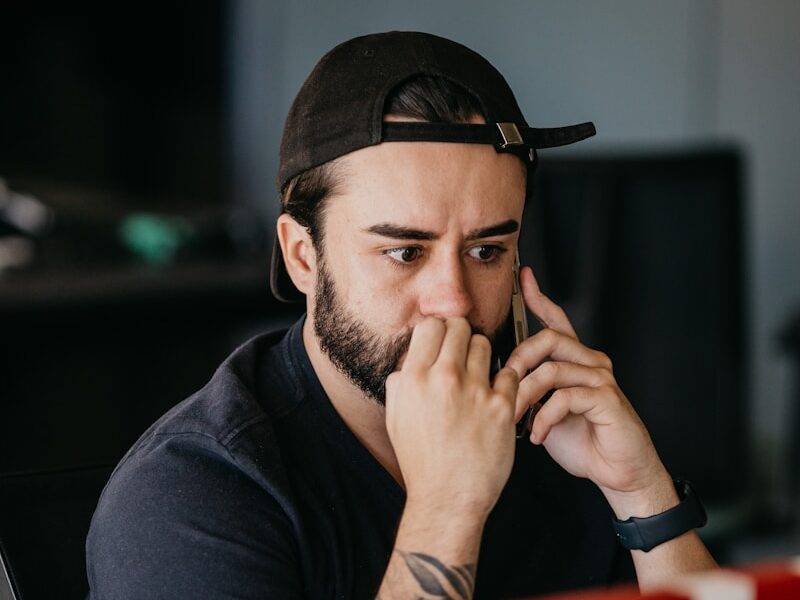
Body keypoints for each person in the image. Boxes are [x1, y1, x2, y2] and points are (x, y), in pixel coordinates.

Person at [86, 31, 717, 599]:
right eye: (403, 252)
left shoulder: (559, 442)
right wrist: (447, 509)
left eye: (486, 250)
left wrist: (642, 497)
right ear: (304, 257)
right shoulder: (191, 495)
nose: (455, 300)